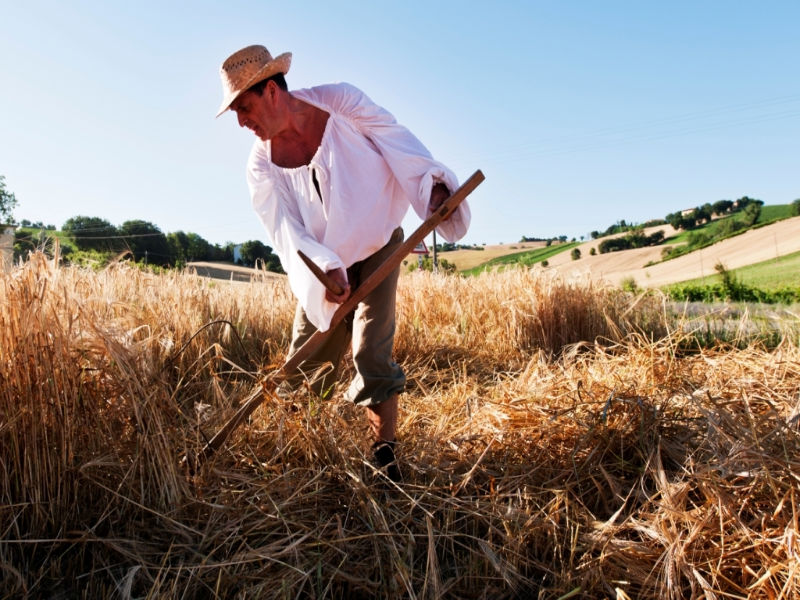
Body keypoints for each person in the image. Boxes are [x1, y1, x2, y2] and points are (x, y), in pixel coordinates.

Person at [217, 44, 470, 481]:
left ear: (272, 90)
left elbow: (397, 141)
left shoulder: (342, 103)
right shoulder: (261, 166)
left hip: (378, 243)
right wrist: (323, 271)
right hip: (322, 264)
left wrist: (433, 192)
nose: (241, 121)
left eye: (244, 106)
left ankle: (385, 458)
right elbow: (286, 232)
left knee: (372, 349)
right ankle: (303, 462)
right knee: (304, 362)